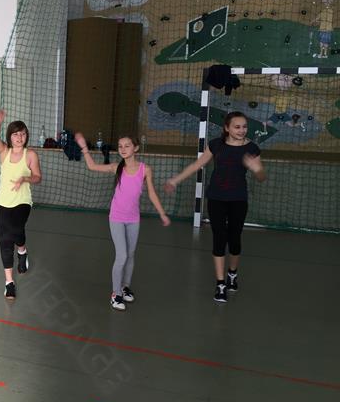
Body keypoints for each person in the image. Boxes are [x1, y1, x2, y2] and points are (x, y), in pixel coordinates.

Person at [164, 111, 266, 303]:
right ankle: (220, 283)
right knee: (219, 238)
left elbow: (261, 177)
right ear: (227, 128)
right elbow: (197, 165)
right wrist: (175, 180)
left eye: (244, 127)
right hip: (216, 198)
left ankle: (232, 273)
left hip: (238, 199)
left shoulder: (252, 148)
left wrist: (257, 169)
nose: (242, 130)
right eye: (237, 127)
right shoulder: (216, 145)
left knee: (234, 239)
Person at [74, 133, 170, 311]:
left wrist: (162, 213)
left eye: (127, 145)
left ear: (136, 148)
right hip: (116, 218)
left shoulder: (145, 169)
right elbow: (92, 166)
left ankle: (125, 287)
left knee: (131, 254)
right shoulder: (116, 167)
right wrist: (84, 148)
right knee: (122, 256)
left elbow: (151, 193)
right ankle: (115, 294)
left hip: (133, 219)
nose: (123, 149)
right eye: (120, 146)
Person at [0, 110, 42, 299]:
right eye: (16, 134)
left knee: (16, 230)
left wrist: (25, 178)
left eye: (23, 134)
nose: (20, 137)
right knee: (5, 241)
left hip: (22, 201)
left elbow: (38, 177)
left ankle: (22, 250)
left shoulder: (31, 155)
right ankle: (9, 282)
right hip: (3, 202)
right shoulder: (5, 152)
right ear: (10, 137)